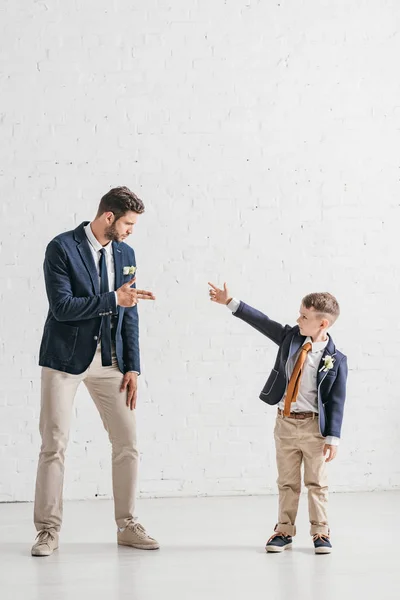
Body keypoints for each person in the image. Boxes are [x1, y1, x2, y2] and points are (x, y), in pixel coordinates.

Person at [32, 186, 159, 556]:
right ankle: (48, 531)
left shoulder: (126, 253)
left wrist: (132, 367)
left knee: (127, 442)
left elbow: (129, 312)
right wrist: (112, 299)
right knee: (54, 444)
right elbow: (62, 308)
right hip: (65, 359)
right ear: (108, 217)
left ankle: (127, 524)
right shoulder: (61, 248)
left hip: (111, 362)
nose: (131, 230)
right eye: (128, 223)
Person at [208, 282, 348, 554]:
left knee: (317, 482)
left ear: (322, 324)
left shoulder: (336, 359)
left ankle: (320, 532)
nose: (298, 320)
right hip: (285, 422)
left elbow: (337, 400)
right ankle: (284, 530)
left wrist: (333, 437)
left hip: (314, 428)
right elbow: (262, 322)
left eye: (304, 317)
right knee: (287, 482)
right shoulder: (291, 338)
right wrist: (230, 302)